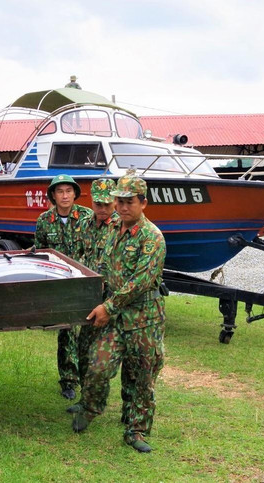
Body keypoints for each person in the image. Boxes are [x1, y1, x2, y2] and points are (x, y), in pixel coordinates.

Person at [72, 171, 167, 454]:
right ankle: (91, 407)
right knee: (98, 366)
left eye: (130, 202)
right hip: (114, 318)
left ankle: (136, 430)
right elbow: (103, 266)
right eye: (120, 202)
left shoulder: (152, 238)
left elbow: (139, 282)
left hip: (143, 320)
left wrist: (107, 306)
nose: (123, 207)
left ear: (143, 203)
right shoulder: (114, 230)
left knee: (141, 378)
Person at [34, 174, 93, 400]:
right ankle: (68, 380)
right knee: (66, 332)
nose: (65, 195)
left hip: (83, 283)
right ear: (53, 196)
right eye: (60, 191)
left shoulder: (87, 217)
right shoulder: (43, 221)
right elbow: (41, 254)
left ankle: (88, 377)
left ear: (75, 194)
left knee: (87, 331)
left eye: (69, 191)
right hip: (60, 284)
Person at [67, 178, 119, 414]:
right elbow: (77, 255)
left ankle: (95, 401)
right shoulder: (84, 224)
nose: (102, 208)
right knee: (83, 349)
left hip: (111, 300)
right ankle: (85, 398)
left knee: (102, 355)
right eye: (98, 203)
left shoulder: (122, 227)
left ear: (115, 202)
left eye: (107, 204)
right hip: (87, 297)